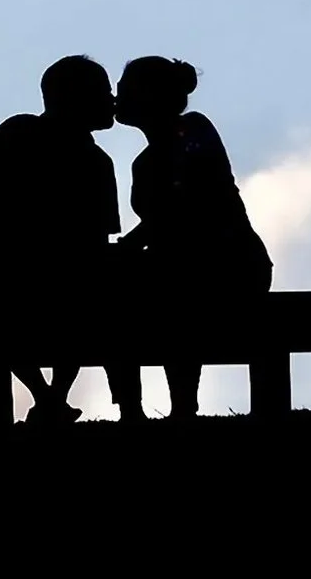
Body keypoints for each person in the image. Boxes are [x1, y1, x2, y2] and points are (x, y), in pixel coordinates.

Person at [0, 55, 133, 423]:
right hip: (57, 284)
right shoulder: (96, 161)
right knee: (84, 293)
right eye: (104, 93)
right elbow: (94, 244)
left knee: (4, 302)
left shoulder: (14, 134)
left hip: (15, 279)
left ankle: (48, 399)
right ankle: (53, 398)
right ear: (76, 98)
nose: (113, 100)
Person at [114, 56, 271, 419]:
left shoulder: (194, 129)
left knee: (171, 288)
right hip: (177, 266)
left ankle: (178, 406)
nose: (116, 98)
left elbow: (185, 204)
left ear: (149, 95)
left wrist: (130, 246)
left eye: (124, 90)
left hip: (230, 263)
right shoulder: (143, 162)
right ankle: (135, 408)